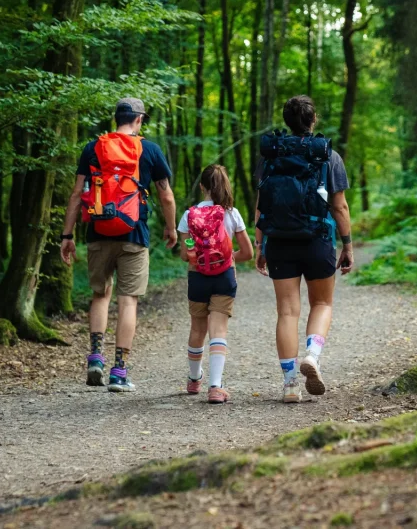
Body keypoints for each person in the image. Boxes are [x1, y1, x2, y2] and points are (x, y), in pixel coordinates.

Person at [60, 97, 177, 393]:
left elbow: (76, 195)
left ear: (117, 118)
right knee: (128, 301)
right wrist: (172, 228)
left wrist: (67, 235)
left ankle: (95, 357)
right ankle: (119, 371)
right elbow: (166, 195)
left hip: (98, 231)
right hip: (134, 234)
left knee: (101, 294)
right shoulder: (149, 149)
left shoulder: (93, 147)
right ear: (139, 120)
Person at [255, 95, 354, 403]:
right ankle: (312, 354)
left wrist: (260, 244)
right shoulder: (327, 155)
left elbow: (262, 206)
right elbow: (339, 206)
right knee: (322, 304)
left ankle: (289, 385)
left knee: (287, 311)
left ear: (287, 121)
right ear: (314, 120)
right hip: (317, 239)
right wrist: (347, 244)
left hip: (279, 241)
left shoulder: (271, 155)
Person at [177, 165, 254, 404]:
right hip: (224, 277)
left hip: (197, 277)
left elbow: (184, 254)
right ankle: (215, 386)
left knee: (197, 329)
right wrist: (228, 258)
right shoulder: (232, 214)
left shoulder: (189, 216)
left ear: (202, 187)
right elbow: (248, 253)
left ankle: (193, 379)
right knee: (218, 330)